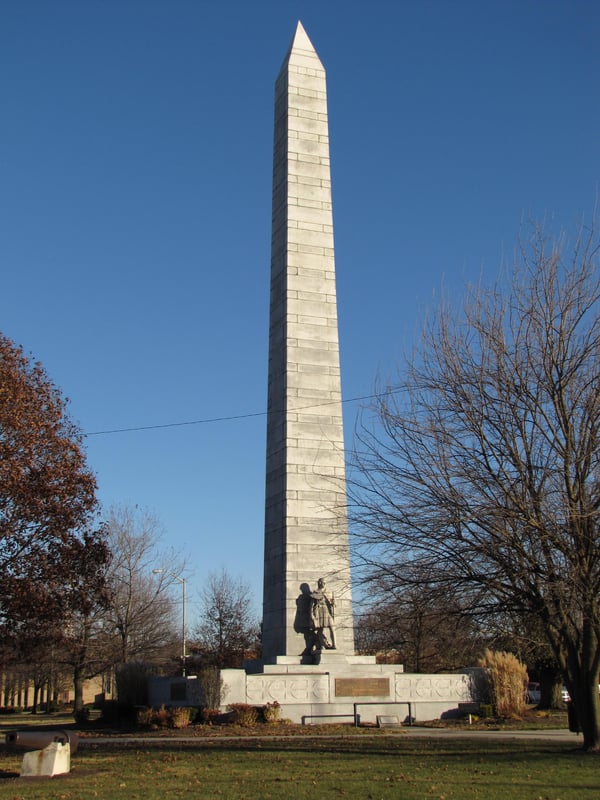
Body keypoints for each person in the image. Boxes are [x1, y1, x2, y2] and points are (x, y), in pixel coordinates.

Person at [310, 577, 336, 650]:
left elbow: (331, 603)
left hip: (327, 611)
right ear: (319, 583)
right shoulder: (315, 593)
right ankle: (322, 644)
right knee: (320, 629)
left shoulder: (328, 592)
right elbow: (311, 606)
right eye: (322, 582)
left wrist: (333, 603)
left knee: (332, 627)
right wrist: (311, 615)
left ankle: (334, 645)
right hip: (319, 611)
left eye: (325, 582)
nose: (324, 584)